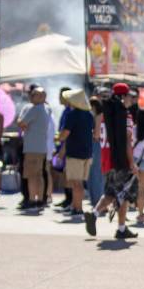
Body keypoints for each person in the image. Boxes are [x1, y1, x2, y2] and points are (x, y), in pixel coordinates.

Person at [84, 83, 138, 240]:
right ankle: (95, 215)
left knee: (114, 192)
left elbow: (96, 135)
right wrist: (132, 162)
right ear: (124, 96)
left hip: (106, 157)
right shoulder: (124, 115)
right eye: (130, 96)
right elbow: (127, 141)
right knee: (121, 193)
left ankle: (120, 227)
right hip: (121, 159)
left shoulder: (104, 113)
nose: (131, 99)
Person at [57, 89, 94, 217]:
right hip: (87, 152)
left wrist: (57, 138)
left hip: (75, 153)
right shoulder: (89, 115)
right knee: (80, 183)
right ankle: (75, 206)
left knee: (75, 182)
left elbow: (64, 134)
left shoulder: (72, 115)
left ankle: (78, 209)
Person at [17, 86, 51, 209]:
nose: (32, 97)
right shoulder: (47, 109)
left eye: (34, 94)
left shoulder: (34, 109)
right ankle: (41, 199)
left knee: (31, 175)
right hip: (41, 147)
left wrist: (21, 120)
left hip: (31, 148)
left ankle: (32, 200)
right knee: (39, 175)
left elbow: (21, 123)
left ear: (42, 97)